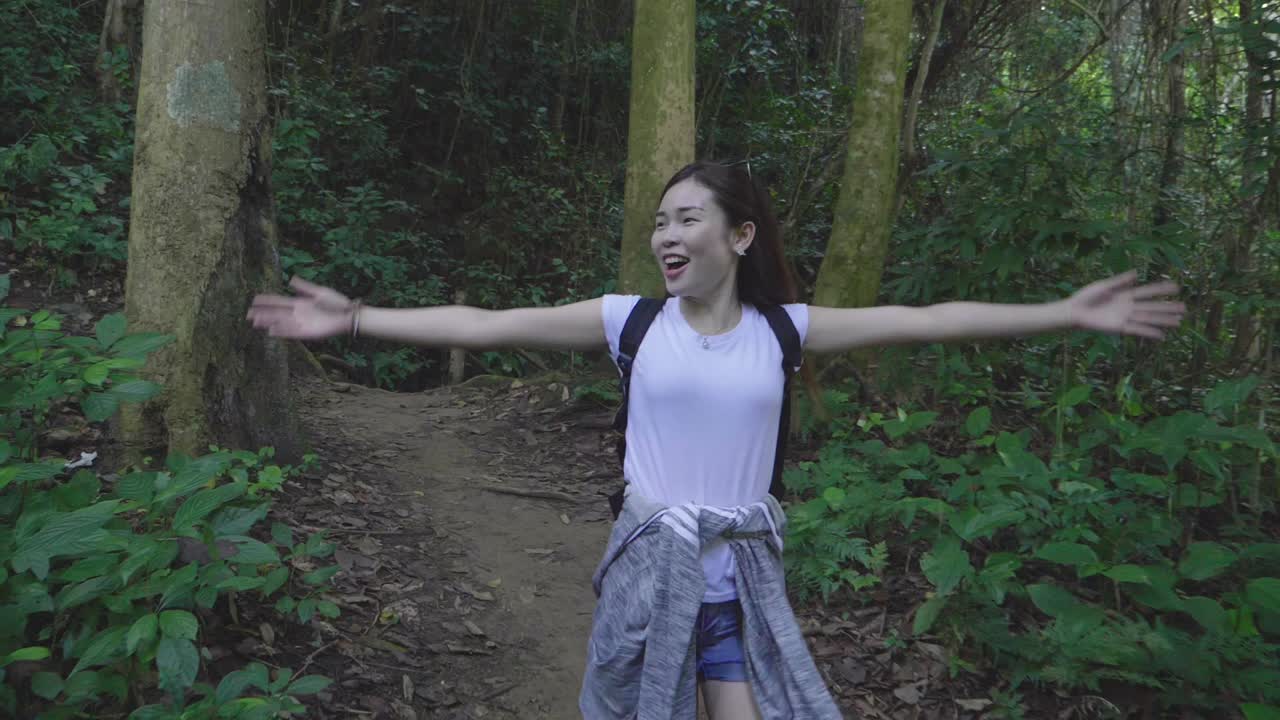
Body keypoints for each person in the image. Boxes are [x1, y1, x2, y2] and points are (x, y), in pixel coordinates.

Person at [248, 161, 1186, 719]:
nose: (666, 232)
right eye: (660, 220)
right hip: (649, 573)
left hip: (738, 578)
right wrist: (359, 317)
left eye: (686, 217)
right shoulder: (629, 321)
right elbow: (486, 324)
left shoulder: (786, 330)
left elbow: (928, 317)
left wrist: (1065, 311)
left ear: (738, 236)